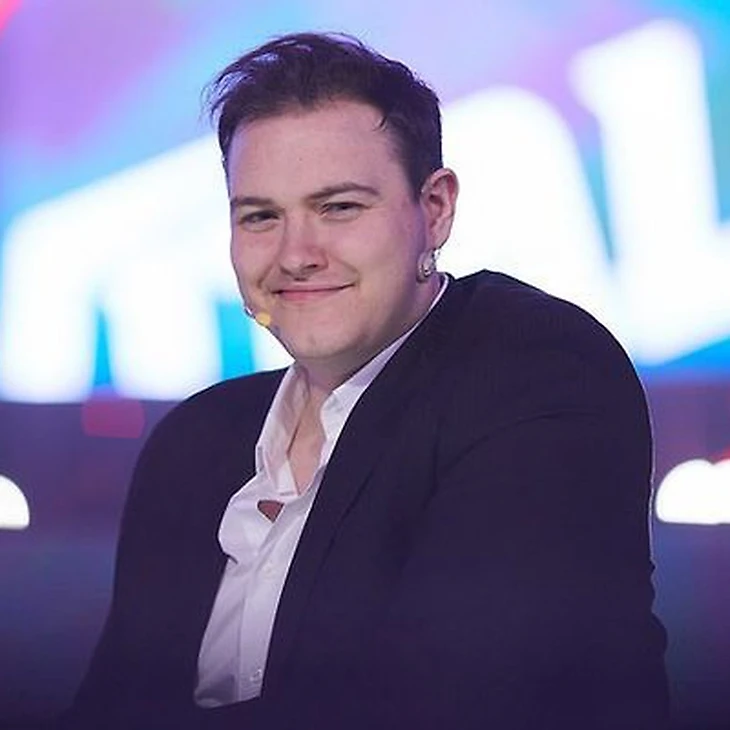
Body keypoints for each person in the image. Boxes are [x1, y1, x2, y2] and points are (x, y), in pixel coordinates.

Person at [59, 32, 669, 730]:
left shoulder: (537, 369)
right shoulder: (193, 442)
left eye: (339, 207)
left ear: (434, 209)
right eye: (260, 216)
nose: (296, 254)